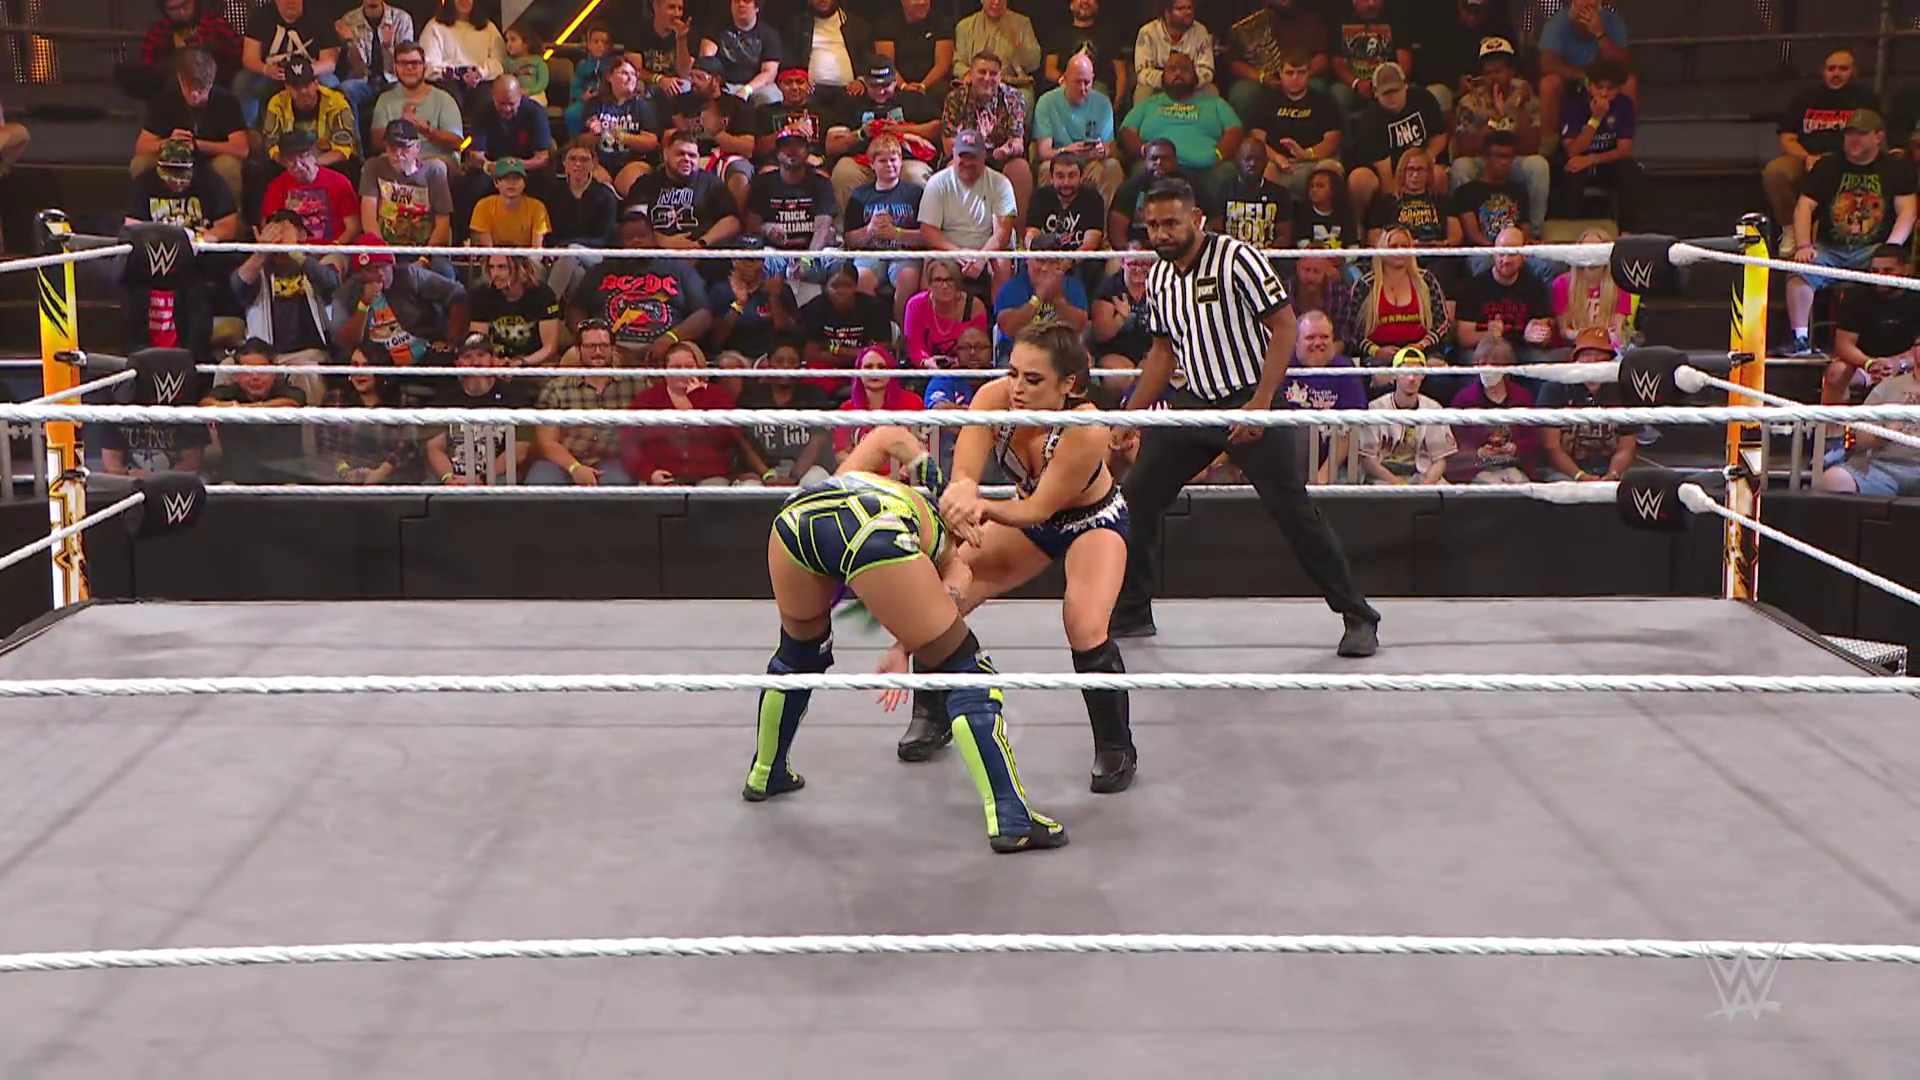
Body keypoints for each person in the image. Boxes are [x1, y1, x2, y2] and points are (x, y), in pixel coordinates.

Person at [748, 424, 1069, 853]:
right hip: (873, 531)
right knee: (967, 669)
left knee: (798, 654)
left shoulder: (884, 486)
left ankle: (765, 771)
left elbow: (888, 436)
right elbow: (949, 602)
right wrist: (910, 643)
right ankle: (1011, 817)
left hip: (797, 520)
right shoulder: (951, 550)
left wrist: (932, 479)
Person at [1110, 177, 1380, 656]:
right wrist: (1130, 415)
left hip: (1251, 395)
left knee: (1293, 511)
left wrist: (1261, 403)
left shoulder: (1237, 258)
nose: (1161, 233)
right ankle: (1133, 610)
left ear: (1196, 219)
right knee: (1136, 498)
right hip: (1196, 402)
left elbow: (1284, 327)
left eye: (1171, 222)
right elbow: (1162, 352)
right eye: (1152, 225)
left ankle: (1358, 616)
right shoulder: (1159, 277)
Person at [888, 322, 1137, 793]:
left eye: (1033, 379)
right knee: (941, 591)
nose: (1018, 388)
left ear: (1069, 384)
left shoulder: (1086, 429)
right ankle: (932, 711)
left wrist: (980, 507)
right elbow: (965, 471)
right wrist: (962, 493)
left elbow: (1037, 509)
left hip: (1090, 520)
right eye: (1014, 373)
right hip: (1028, 517)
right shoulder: (993, 399)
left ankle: (1116, 745)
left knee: (1085, 624)